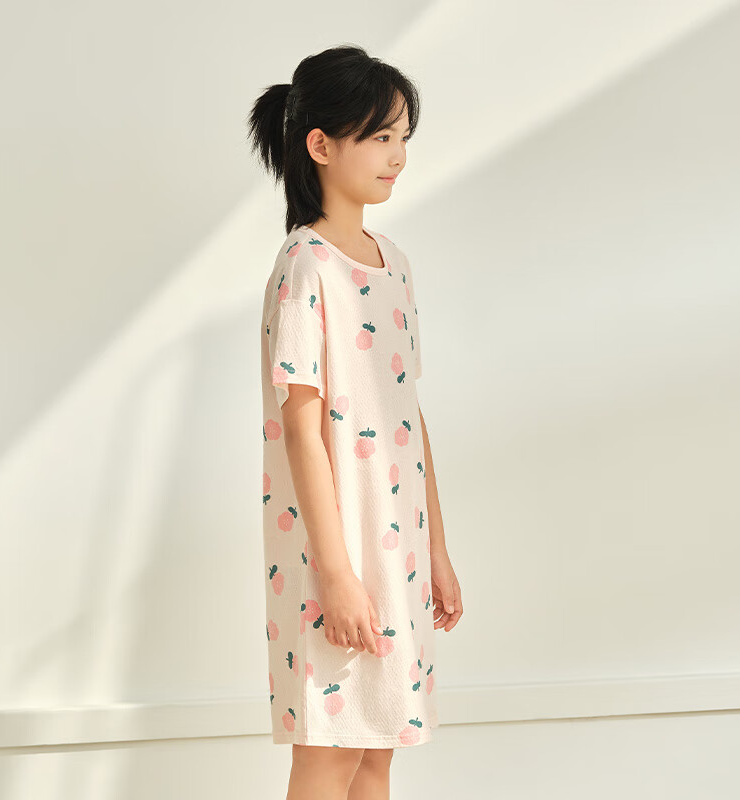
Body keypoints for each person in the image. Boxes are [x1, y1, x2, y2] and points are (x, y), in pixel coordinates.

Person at [247, 44, 463, 800]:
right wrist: (335, 574)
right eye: (379, 137)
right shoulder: (305, 266)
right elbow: (301, 432)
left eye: (403, 137)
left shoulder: (392, 261)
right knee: (330, 752)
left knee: (378, 751)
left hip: (398, 547)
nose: (398, 156)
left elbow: (409, 414)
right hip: (333, 553)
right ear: (320, 144)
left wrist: (437, 551)